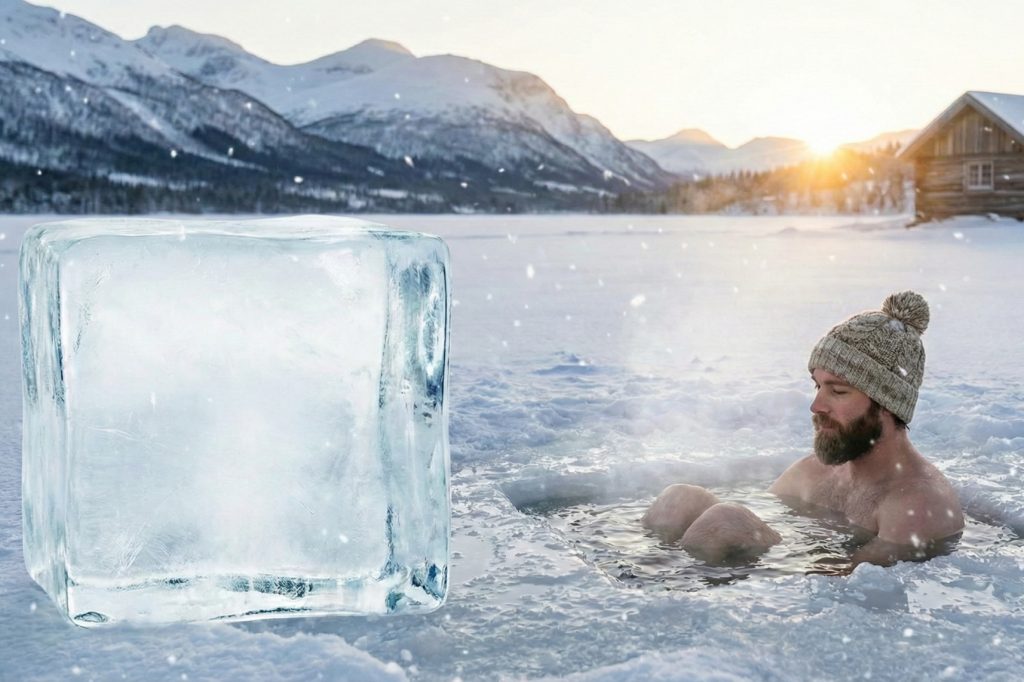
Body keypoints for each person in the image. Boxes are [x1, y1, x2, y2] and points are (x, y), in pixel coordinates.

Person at [642, 291, 964, 566]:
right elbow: (764, 516)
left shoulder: (918, 505)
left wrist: (735, 533)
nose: (816, 406)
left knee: (725, 521)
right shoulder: (815, 473)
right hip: (787, 564)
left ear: (888, 403)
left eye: (837, 391)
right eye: (817, 387)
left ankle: (659, 598)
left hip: (787, 599)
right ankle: (640, 582)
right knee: (679, 499)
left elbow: (843, 584)